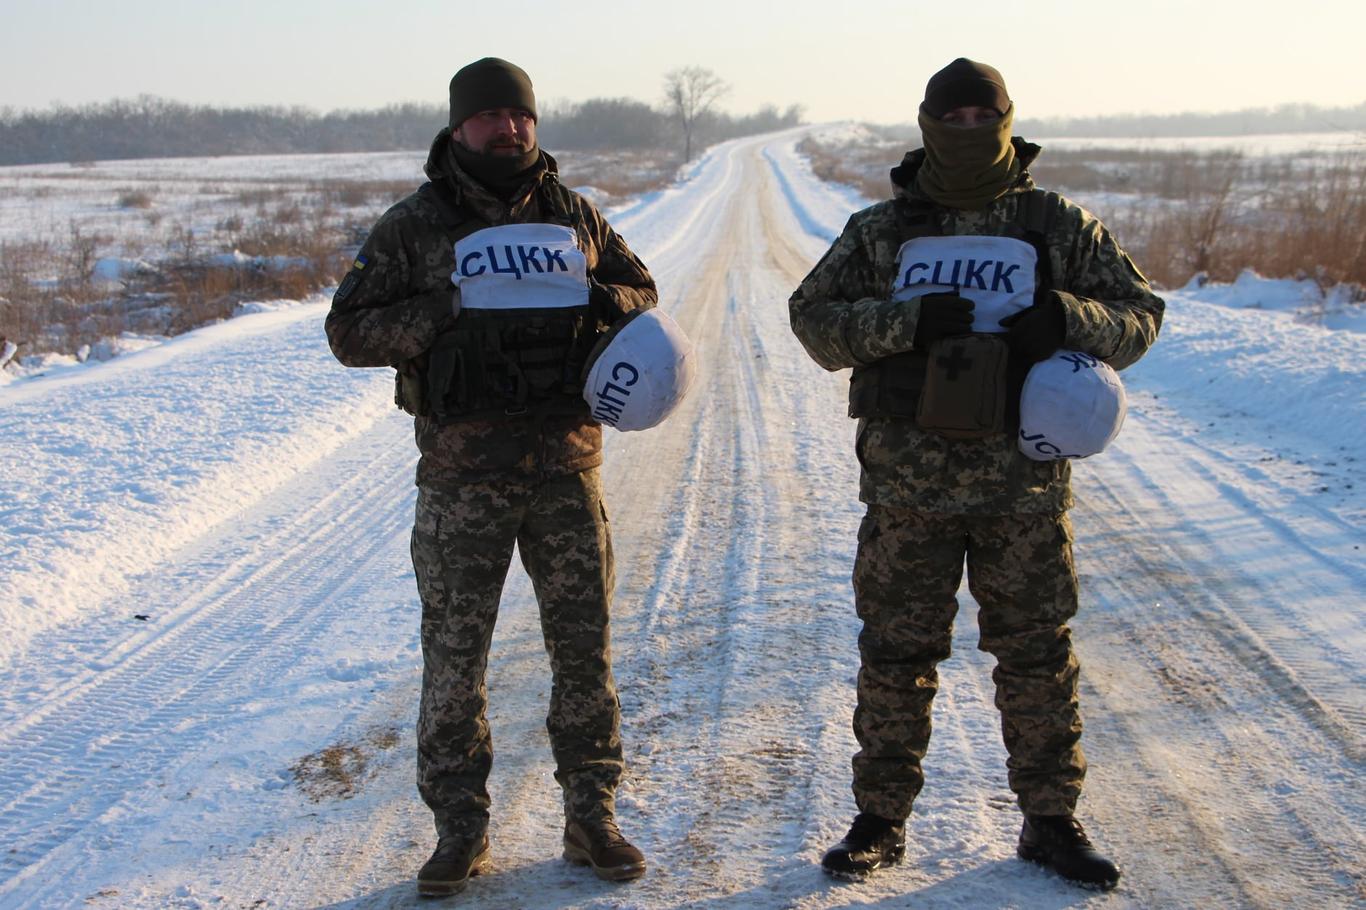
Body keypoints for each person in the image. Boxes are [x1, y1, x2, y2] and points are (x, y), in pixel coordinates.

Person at [788, 58, 1164, 891]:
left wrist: (1067, 318)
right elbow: (812, 323)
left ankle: (1051, 822)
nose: (966, 130)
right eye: (950, 117)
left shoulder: (1057, 225)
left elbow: (1142, 318)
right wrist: (903, 323)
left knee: (1036, 657)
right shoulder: (880, 231)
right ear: (926, 124)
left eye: (980, 115)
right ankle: (880, 820)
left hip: (1022, 490)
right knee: (895, 656)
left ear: (1007, 120)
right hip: (907, 493)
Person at [325, 57, 656, 897]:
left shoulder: (572, 215)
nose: (508, 129)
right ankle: (459, 832)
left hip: (565, 472)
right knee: (455, 657)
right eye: (489, 117)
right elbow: (348, 333)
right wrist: (450, 308)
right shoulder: (415, 226)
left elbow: (641, 291)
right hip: (462, 481)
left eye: (521, 116)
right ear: (458, 127)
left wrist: (596, 305)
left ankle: (593, 817)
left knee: (584, 652)